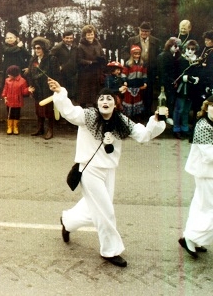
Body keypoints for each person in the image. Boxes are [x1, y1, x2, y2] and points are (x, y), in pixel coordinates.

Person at [47, 78, 166, 267]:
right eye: (102, 98)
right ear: (97, 102)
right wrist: (61, 91)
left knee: (93, 210)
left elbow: (143, 135)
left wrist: (156, 121)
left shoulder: (121, 121)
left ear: (115, 103)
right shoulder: (88, 116)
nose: (105, 102)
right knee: (106, 212)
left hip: (109, 170)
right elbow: (69, 111)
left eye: (109, 99)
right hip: (89, 170)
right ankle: (110, 250)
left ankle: (67, 221)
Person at [178, 95, 213, 258]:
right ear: (207, 107)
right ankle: (192, 237)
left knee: (201, 206)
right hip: (205, 173)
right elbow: (208, 155)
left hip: (208, 173)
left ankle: (191, 238)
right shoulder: (203, 125)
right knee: (208, 208)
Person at [123, 22, 161, 117]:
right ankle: (136, 112)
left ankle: (147, 112)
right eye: (142, 31)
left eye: (146, 31)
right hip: (135, 70)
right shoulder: (131, 40)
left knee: (149, 91)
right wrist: (132, 60)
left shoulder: (156, 41)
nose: (144, 33)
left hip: (150, 70)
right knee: (136, 91)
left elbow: (158, 55)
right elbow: (124, 52)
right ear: (139, 30)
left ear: (150, 32)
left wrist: (155, 67)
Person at [25, 36, 60, 140]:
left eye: (39, 48)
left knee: (49, 110)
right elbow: (30, 73)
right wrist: (31, 85)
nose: (37, 50)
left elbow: (56, 74)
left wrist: (54, 86)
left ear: (44, 48)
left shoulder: (51, 59)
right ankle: (40, 128)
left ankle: (50, 130)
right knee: (38, 109)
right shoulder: (34, 59)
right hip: (37, 88)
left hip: (47, 88)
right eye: (35, 48)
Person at [158, 37, 189, 139]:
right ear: (169, 45)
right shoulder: (164, 56)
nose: (177, 48)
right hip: (165, 84)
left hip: (170, 84)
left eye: (178, 47)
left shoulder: (172, 56)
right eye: (175, 46)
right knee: (164, 105)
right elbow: (163, 72)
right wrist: (171, 81)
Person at [77, 24, 106, 108]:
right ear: (84, 35)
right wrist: (89, 62)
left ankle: (96, 108)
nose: (90, 36)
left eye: (91, 34)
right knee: (85, 93)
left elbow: (102, 54)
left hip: (96, 71)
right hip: (86, 72)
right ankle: (83, 110)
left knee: (95, 92)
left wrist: (102, 59)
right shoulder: (81, 46)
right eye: (88, 34)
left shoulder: (97, 44)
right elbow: (79, 60)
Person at [50, 30, 78, 101]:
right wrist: (58, 66)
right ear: (63, 38)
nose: (69, 40)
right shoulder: (58, 47)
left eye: (71, 38)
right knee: (63, 94)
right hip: (63, 74)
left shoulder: (75, 47)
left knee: (71, 95)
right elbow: (50, 57)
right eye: (67, 38)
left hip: (73, 73)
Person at [121, 45, 147, 121]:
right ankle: (128, 115)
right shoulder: (128, 63)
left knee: (137, 100)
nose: (137, 55)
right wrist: (125, 81)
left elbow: (144, 74)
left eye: (138, 54)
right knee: (129, 100)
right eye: (135, 54)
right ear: (132, 54)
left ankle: (137, 115)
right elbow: (123, 73)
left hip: (138, 84)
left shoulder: (142, 63)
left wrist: (145, 82)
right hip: (130, 84)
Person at [1, 65, 30, 135]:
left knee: (17, 114)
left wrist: (28, 90)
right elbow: (5, 89)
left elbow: (24, 91)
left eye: (9, 74)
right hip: (9, 101)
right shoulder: (7, 81)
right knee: (9, 114)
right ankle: (10, 127)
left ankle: (15, 127)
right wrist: (4, 96)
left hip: (18, 101)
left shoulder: (22, 81)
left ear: (14, 75)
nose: (8, 75)